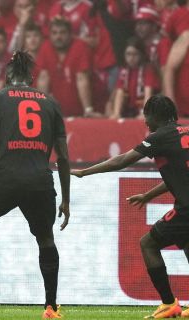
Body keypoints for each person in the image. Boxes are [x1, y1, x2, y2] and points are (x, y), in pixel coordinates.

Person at [0, 51, 70, 319]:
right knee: (45, 239)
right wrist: (66, 199)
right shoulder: (50, 102)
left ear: (8, 77)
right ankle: (50, 307)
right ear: (31, 78)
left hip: (6, 177)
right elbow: (64, 157)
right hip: (40, 181)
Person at [71, 94, 189, 319]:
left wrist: (85, 172)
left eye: (147, 117)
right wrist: (148, 195)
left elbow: (121, 161)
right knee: (187, 244)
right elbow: (178, 176)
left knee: (148, 244)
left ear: (157, 117)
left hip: (187, 209)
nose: (145, 122)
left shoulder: (159, 137)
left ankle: (168, 304)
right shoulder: (185, 132)